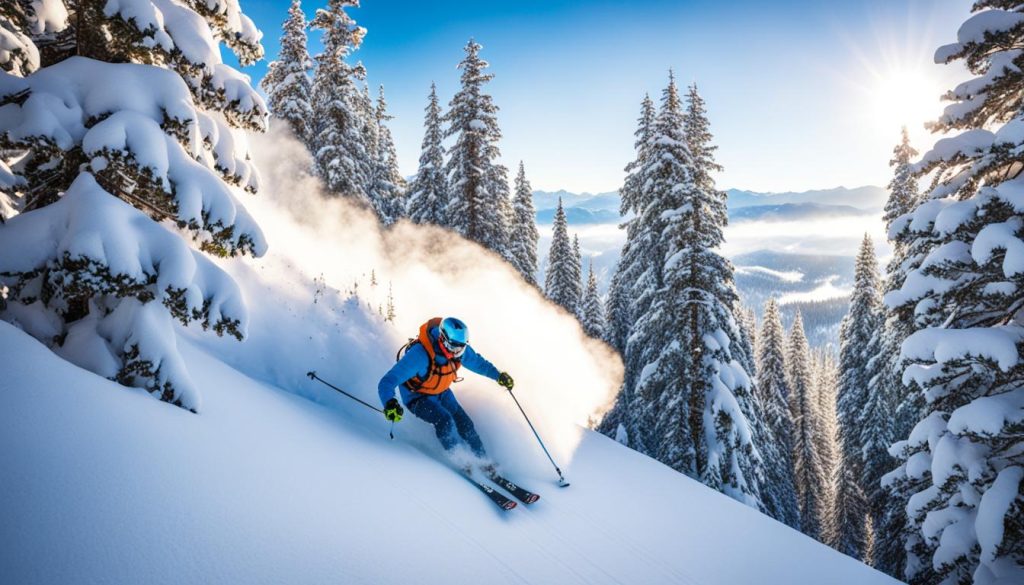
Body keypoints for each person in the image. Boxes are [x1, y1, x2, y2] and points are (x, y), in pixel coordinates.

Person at [378, 317, 514, 460]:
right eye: (453, 347)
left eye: (461, 348)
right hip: (417, 397)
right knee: (444, 420)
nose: (456, 352)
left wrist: (498, 376)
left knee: (465, 423)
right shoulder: (419, 356)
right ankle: (461, 461)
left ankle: (484, 462)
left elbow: (479, 364)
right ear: (442, 339)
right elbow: (387, 381)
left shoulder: (459, 349)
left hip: (441, 392)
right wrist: (389, 403)